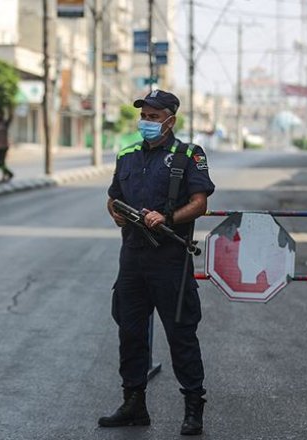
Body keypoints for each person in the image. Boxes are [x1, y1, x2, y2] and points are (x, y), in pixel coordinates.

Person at [101, 90, 215, 436]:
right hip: (132, 259)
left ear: (170, 120)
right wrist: (117, 213)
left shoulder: (188, 156)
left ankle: (193, 407)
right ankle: (134, 403)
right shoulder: (128, 155)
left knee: (181, 335)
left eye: (154, 116)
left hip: (169, 260)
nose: (147, 122)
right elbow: (113, 197)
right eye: (144, 116)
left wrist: (166, 217)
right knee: (131, 332)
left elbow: (199, 203)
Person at [0, 113, 14, 183]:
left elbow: (10, 118)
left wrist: (11, 109)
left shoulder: (5, 124)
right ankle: (8, 173)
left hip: (3, 146)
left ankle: (6, 175)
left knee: (2, 162)